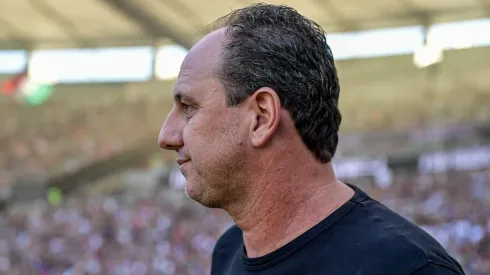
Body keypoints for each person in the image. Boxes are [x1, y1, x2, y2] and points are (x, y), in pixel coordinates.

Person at [158, 3, 465, 275]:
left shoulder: (407, 267)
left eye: (188, 107)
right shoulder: (227, 252)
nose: (166, 136)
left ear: (262, 117)